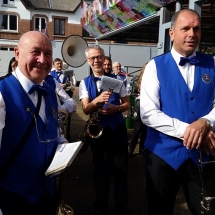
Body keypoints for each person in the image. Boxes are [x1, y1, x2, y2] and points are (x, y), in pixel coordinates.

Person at [140, 9, 215, 215]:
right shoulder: (154, 66)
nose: (192, 34)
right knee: (159, 209)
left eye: (196, 28)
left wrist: (206, 122)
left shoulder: (213, 64)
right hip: (163, 154)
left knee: (207, 210)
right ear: (171, 33)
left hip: (202, 155)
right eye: (185, 28)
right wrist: (193, 130)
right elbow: (148, 113)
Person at [0, 31, 68, 215]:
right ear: (17, 53)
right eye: (35, 52)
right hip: (13, 197)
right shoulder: (1, 93)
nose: (42, 59)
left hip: (46, 193)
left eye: (47, 54)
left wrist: (62, 144)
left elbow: (52, 131)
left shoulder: (49, 91)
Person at [79, 45, 130, 215]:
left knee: (121, 170)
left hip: (117, 129)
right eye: (92, 58)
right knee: (100, 170)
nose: (96, 60)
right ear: (88, 61)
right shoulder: (85, 83)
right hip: (98, 131)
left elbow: (127, 104)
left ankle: (121, 206)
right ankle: (101, 205)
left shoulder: (116, 80)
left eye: (99, 57)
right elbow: (86, 109)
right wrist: (97, 101)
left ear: (104, 58)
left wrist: (117, 109)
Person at [128, 63, 147, 157]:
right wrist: (139, 95)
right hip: (139, 107)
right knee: (137, 129)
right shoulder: (137, 80)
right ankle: (130, 150)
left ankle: (141, 149)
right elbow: (132, 93)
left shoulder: (154, 79)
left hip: (148, 107)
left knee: (145, 130)